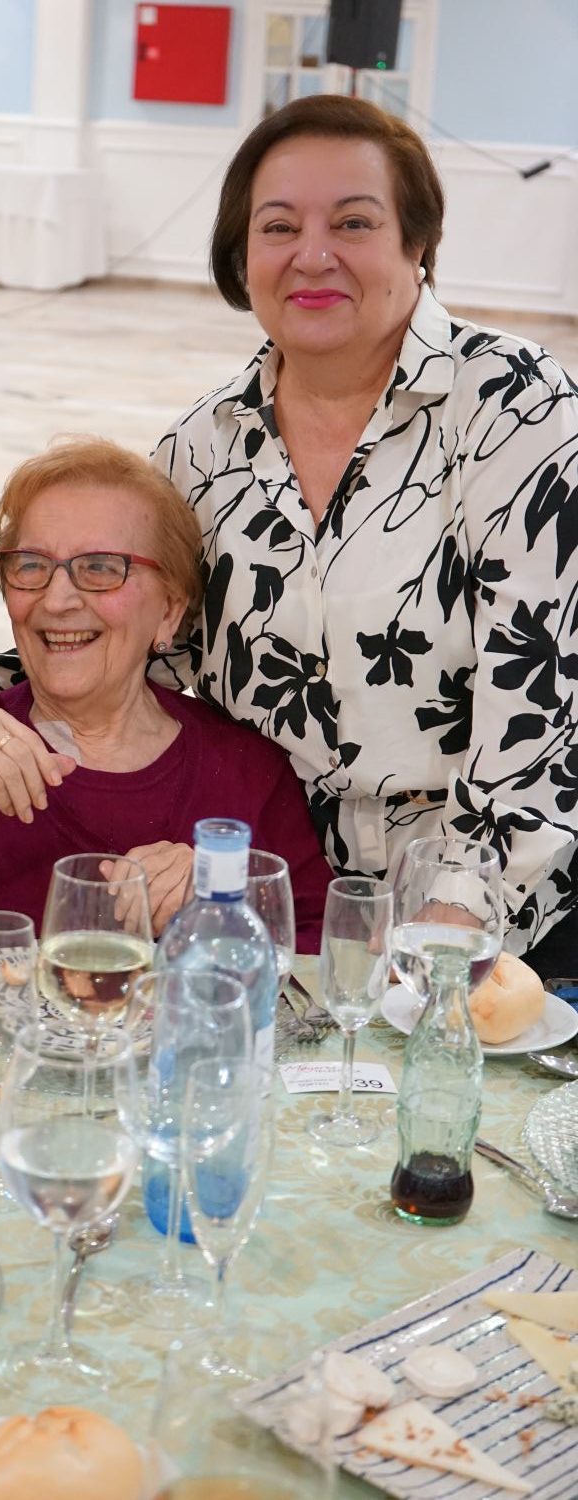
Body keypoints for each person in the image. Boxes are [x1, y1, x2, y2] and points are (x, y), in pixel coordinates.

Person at [152, 95, 578, 976]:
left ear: (417, 243)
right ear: (242, 255)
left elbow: (544, 693)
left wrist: (453, 914)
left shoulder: (515, 407)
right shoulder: (198, 449)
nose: (313, 255)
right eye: (278, 227)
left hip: (505, 918)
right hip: (276, 911)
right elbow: (145, 662)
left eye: (353, 222)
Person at [0, 439, 331, 975]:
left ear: (169, 610)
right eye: (31, 565)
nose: (57, 600)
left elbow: (321, 961)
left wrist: (218, 908)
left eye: (100, 568)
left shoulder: (246, 770)